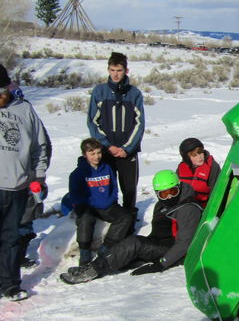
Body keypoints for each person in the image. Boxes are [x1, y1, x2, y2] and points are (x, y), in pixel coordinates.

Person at [59, 170, 202, 284]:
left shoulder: (187, 208)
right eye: (164, 194)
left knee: (135, 243)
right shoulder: (163, 205)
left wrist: (161, 263)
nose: (169, 197)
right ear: (158, 195)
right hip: (161, 243)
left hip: (172, 250)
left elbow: (184, 243)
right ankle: (95, 265)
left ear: (179, 187)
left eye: (173, 191)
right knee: (127, 248)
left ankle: (91, 271)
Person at [0, 64, 49, 301]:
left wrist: (39, 176)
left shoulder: (25, 110)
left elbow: (40, 146)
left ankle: (9, 284)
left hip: (17, 187)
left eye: (2, 91)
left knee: (11, 238)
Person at [87, 52, 145, 218]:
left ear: (126, 70)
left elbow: (140, 123)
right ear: (108, 70)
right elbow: (92, 121)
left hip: (127, 152)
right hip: (106, 150)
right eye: (112, 70)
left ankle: (129, 218)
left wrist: (127, 148)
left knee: (129, 188)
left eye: (119, 70)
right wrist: (107, 146)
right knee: (106, 187)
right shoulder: (100, 92)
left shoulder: (134, 93)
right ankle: (109, 218)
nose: (115, 74)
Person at [67, 138, 134, 266]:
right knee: (86, 219)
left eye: (99, 153)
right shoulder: (77, 173)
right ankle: (85, 254)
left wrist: (111, 200)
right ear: (84, 154)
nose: (96, 157)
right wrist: (91, 202)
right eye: (92, 154)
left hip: (106, 205)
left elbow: (114, 187)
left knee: (125, 217)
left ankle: (106, 248)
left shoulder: (107, 168)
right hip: (88, 205)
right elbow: (74, 195)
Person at [176, 137, 221, 207]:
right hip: (186, 206)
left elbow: (217, 191)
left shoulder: (212, 167)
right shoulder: (181, 169)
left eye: (200, 153)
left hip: (206, 207)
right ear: (187, 158)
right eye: (195, 155)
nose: (199, 157)